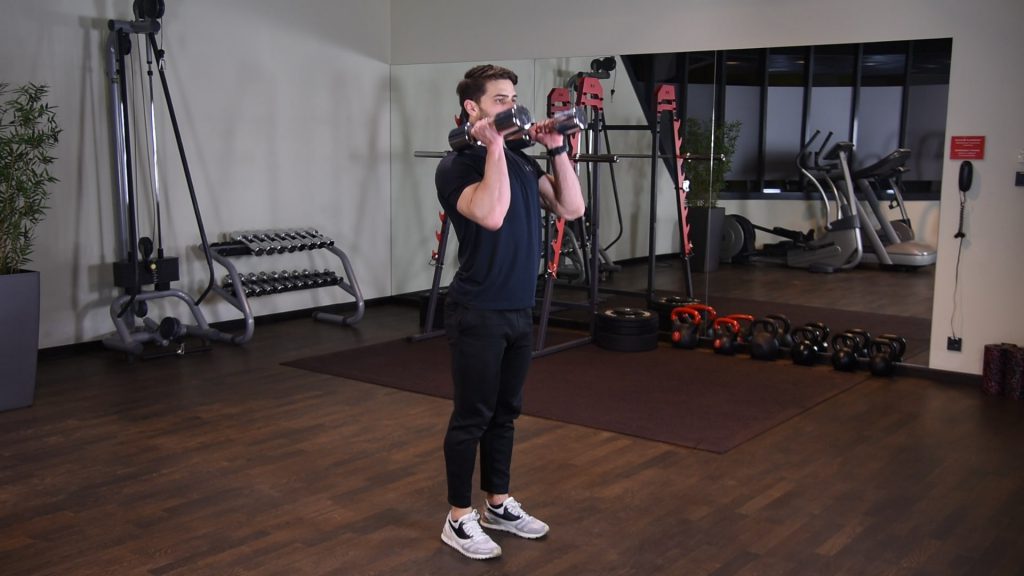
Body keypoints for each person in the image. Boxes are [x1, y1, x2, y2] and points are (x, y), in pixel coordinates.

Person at [435, 64, 585, 560]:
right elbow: (492, 215)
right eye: (500, 99)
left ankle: (498, 504)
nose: (512, 107)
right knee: (472, 417)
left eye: (513, 99)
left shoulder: (521, 160)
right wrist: (494, 145)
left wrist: (556, 147)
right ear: (472, 107)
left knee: (505, 414)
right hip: (477, 309)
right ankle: (458, 517)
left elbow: (571, 208)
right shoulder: (456, 166)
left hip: (520, 308)